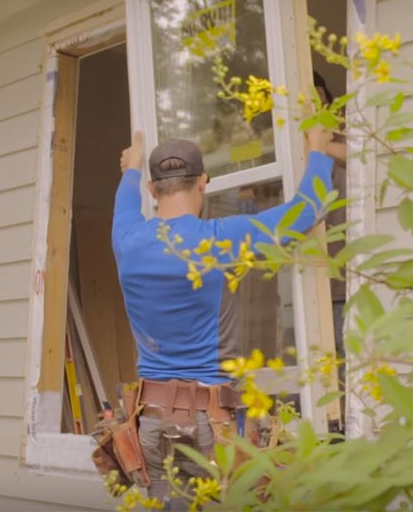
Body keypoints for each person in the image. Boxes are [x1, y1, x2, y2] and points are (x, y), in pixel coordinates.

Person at [112, 125, 333, 509]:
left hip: (150, 422)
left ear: (153, 190)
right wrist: (318, 149)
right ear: (204, 183)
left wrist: (131, 166)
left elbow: (126, 199)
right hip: (209, 425)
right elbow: (308, 211)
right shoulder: (220, 239)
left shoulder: (127, 237)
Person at [313, 71, 348, 433]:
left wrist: (318, 144)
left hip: (345, 283)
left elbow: (364, 157)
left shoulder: (344, 132)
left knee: (349, 375)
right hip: (307, 281)